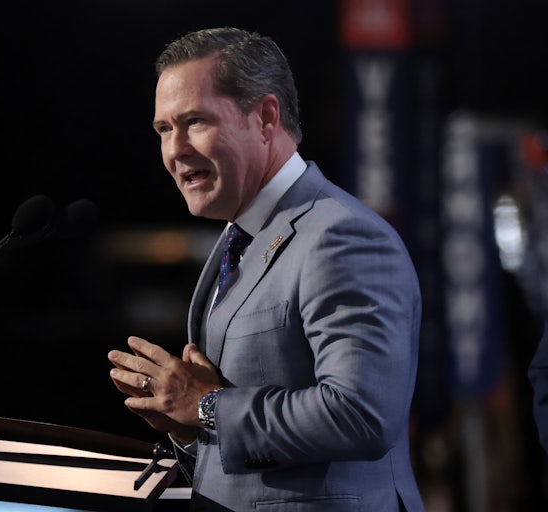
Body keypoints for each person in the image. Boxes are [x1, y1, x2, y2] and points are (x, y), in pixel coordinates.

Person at [108, 27, 425, 511]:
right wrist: (190, 426)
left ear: (265, 117)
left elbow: (362, 415)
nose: (175, 151)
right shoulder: (238, 237)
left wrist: (206, 405)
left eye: (195, 121)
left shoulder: (342, 236)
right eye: (164, 130)